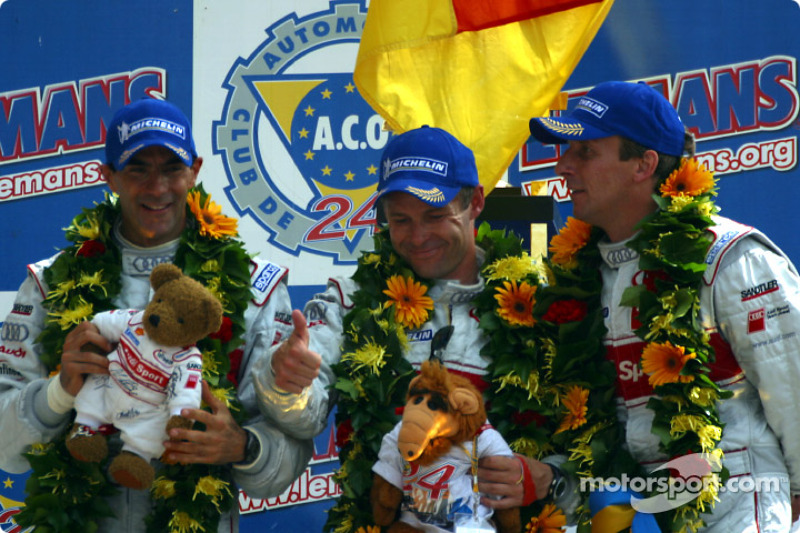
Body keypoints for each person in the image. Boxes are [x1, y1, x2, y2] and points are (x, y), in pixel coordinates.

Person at [0, 98, 312, 532]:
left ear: (195, 170)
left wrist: (242, 446)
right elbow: (3, 449)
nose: (157, 187)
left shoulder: (253, 290)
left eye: (170, 167)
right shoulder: (50, 284)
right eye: (138, 168)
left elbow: (291, 454)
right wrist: (57, 393)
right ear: (107, 176)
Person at [253, 125, 564, 529]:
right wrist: (288, 385)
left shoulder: (538, 305)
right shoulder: (352, 301)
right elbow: (306, 416)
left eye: (435, 216)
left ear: (476, 202)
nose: (418, 237)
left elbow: (593, 444)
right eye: (400, 219)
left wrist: (552, 478)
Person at [526, 80, 800, 531]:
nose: (563, 165)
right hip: (630, 513)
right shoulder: (577, 277)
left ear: (644, 164)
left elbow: (793, 394)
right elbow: (598, 431)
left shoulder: (729, 258)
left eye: (585, 152)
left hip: (735, 509)